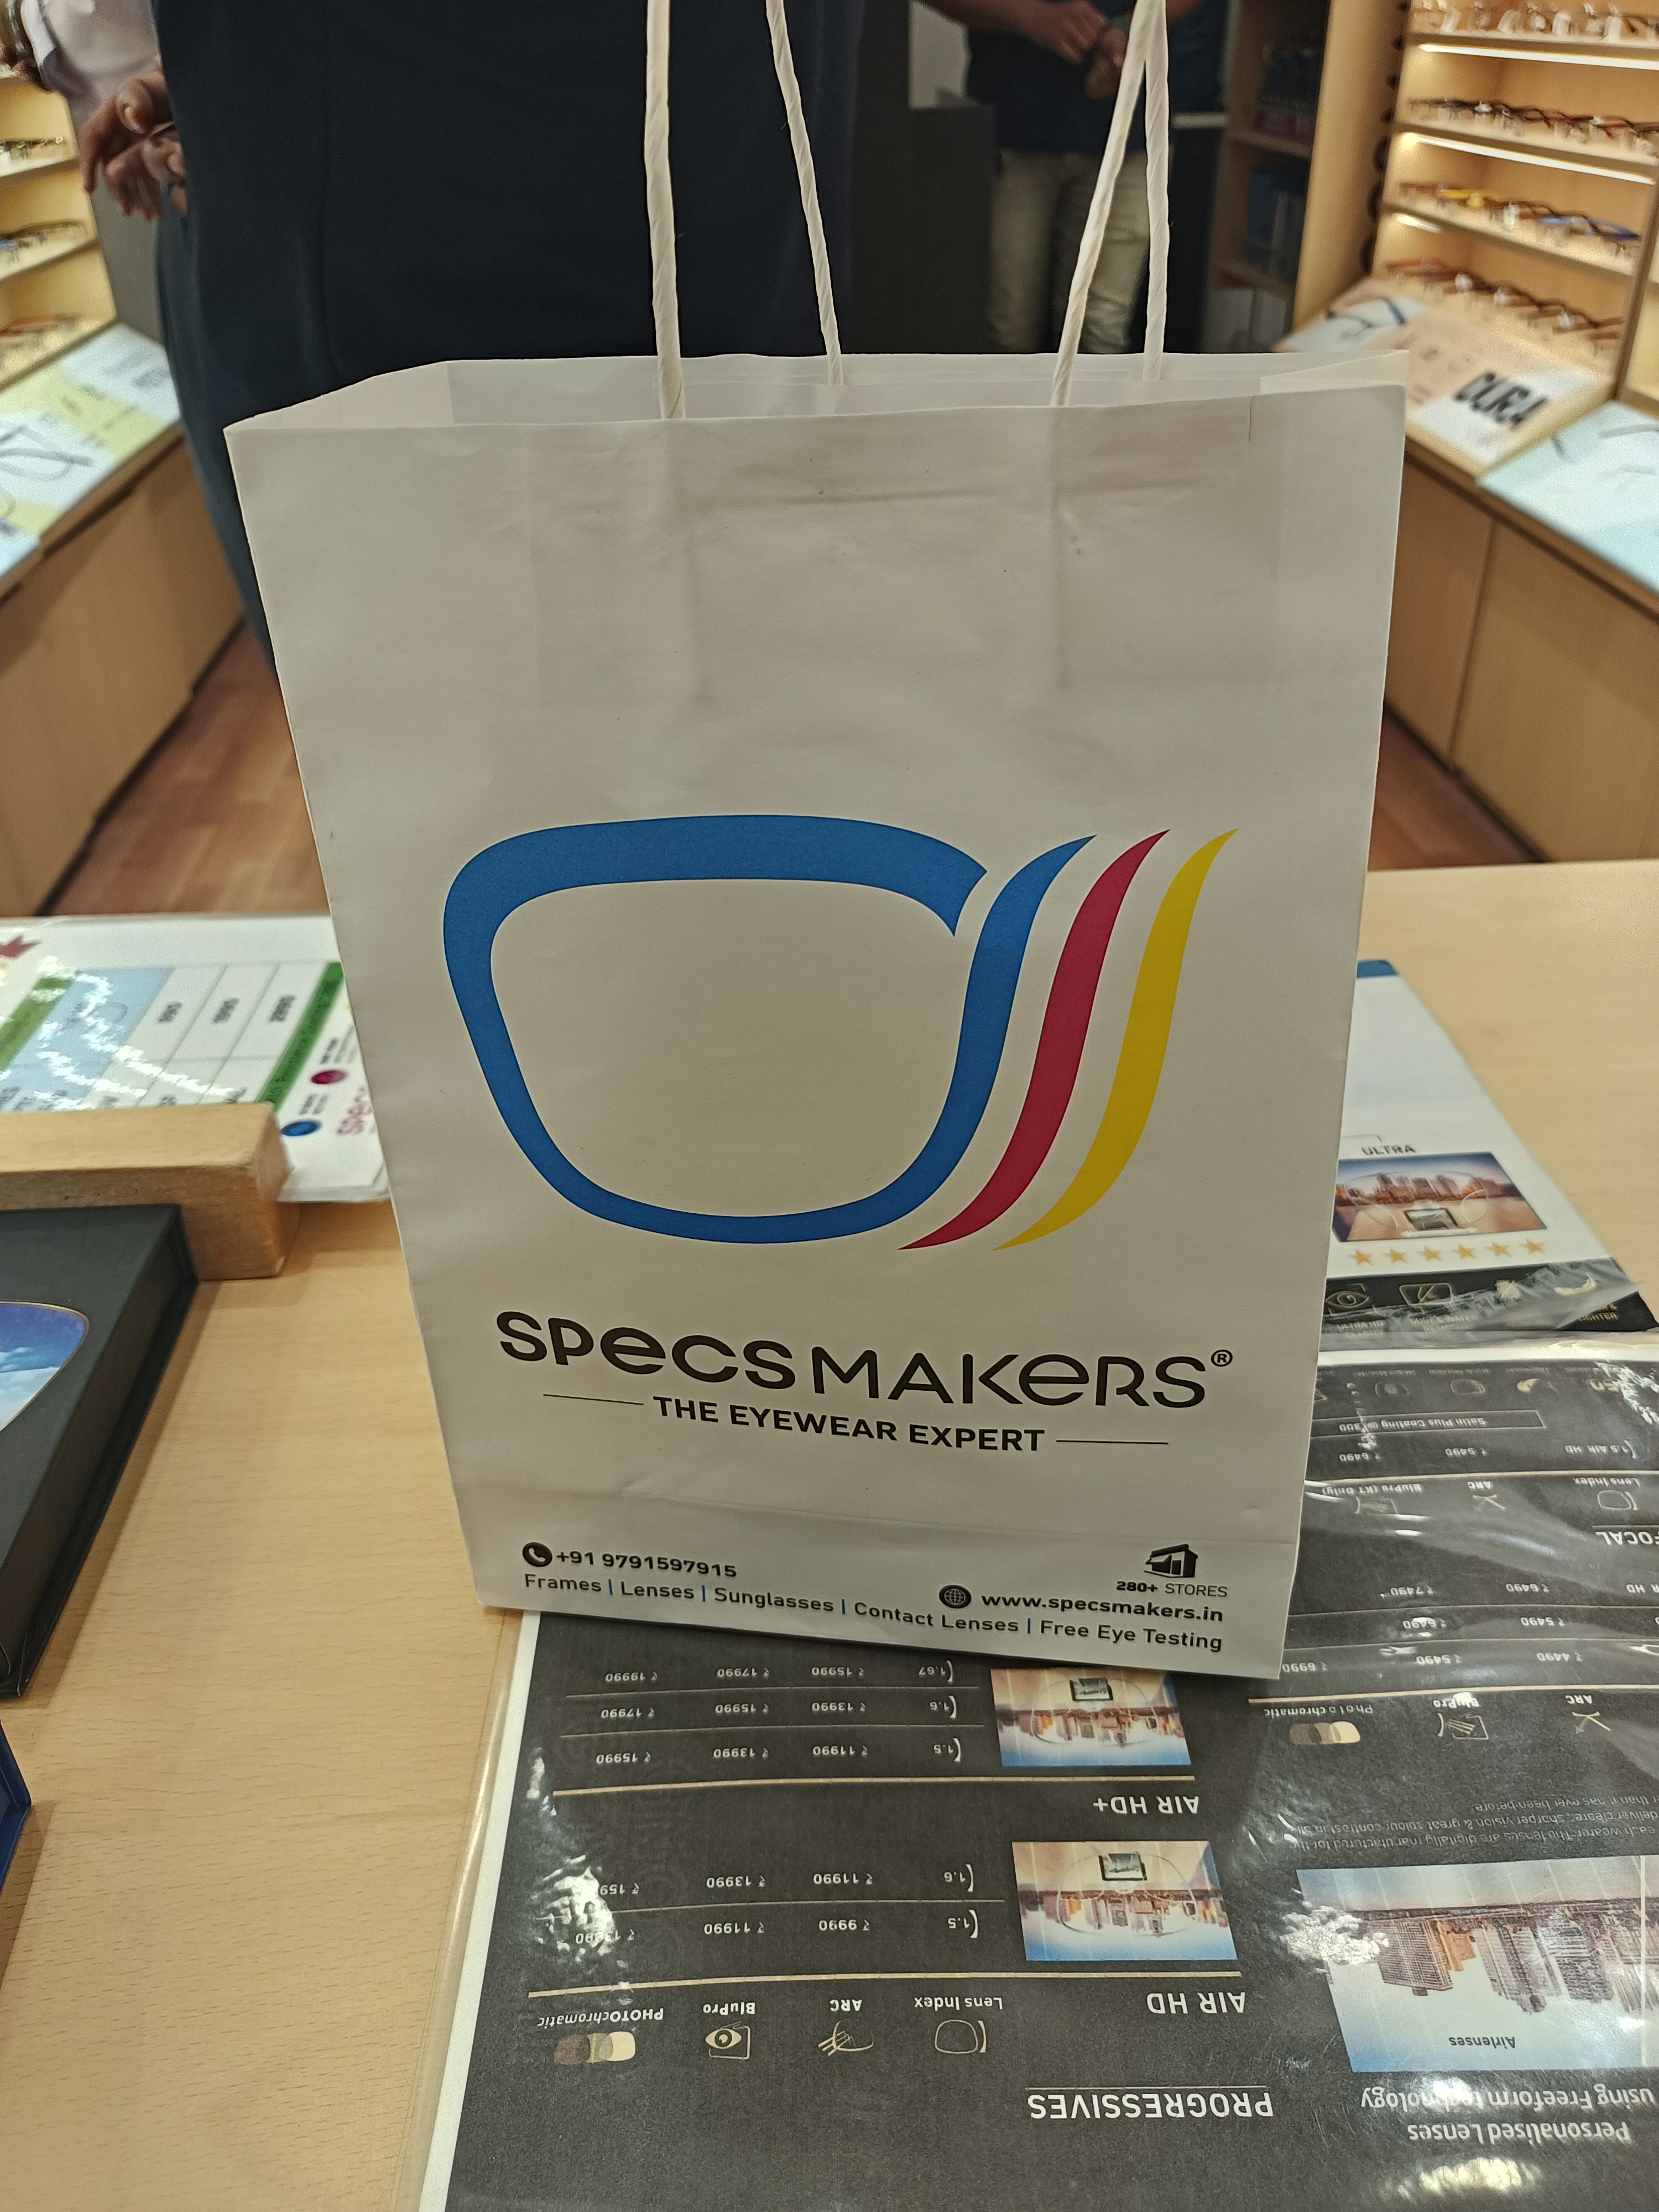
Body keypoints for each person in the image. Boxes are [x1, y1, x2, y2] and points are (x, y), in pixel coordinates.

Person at [76, 3, 865, 658]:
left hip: (367, 221)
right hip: (736, 183)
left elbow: (95, 23)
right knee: (754, 683)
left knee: (418, 722)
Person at [924, 0, 1203, 354]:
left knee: (1098, 333)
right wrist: (1030, 16)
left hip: (1125, 130)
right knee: (1010, 331)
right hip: (1015, 127)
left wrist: (1131, 27)